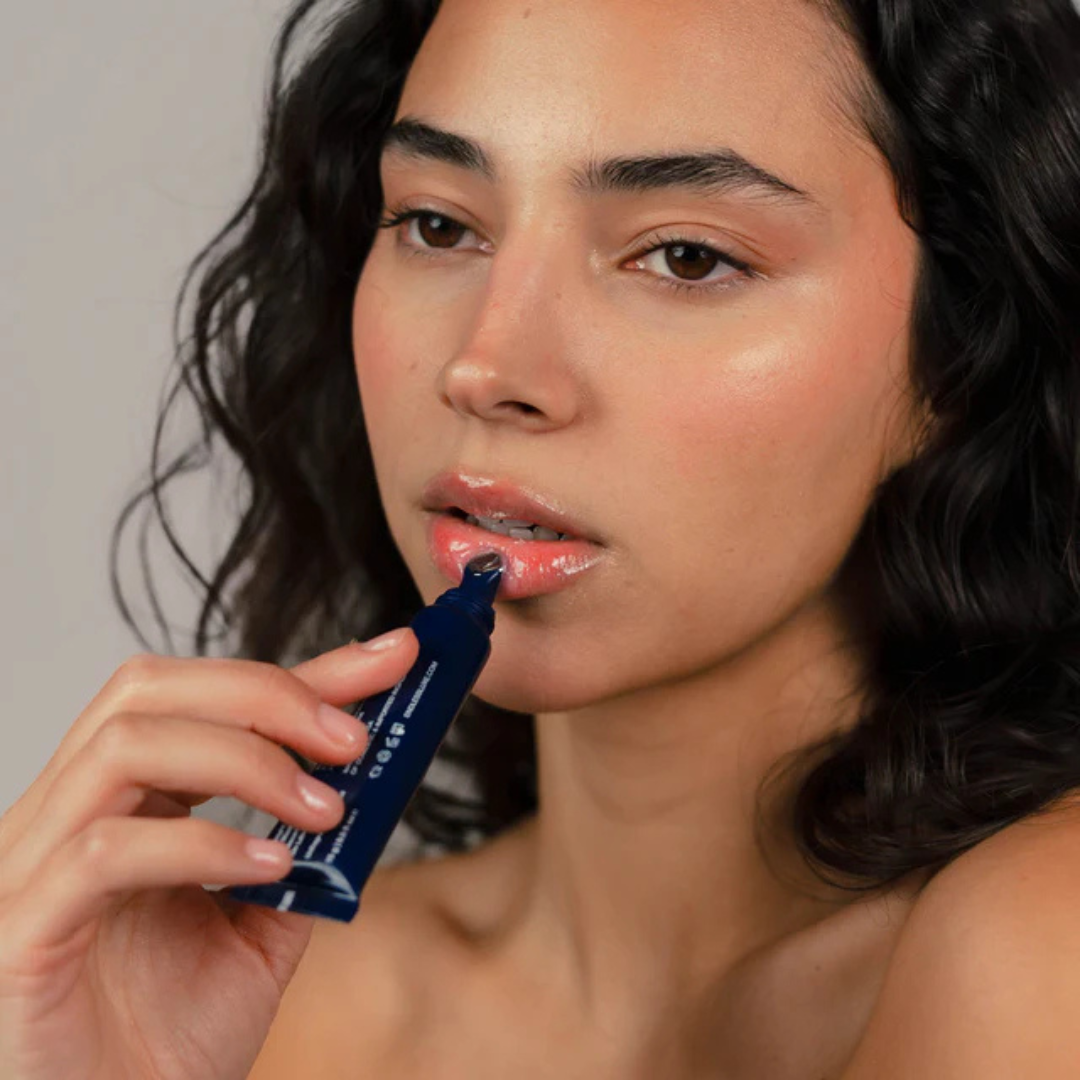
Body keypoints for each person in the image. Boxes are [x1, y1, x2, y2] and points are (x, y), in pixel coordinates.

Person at [3, 0, 1080, 1075]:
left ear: (964, 352)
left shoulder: (1042, 943)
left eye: (687, 257)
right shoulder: (247, 1002)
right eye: (438, 225)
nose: (485, 367)